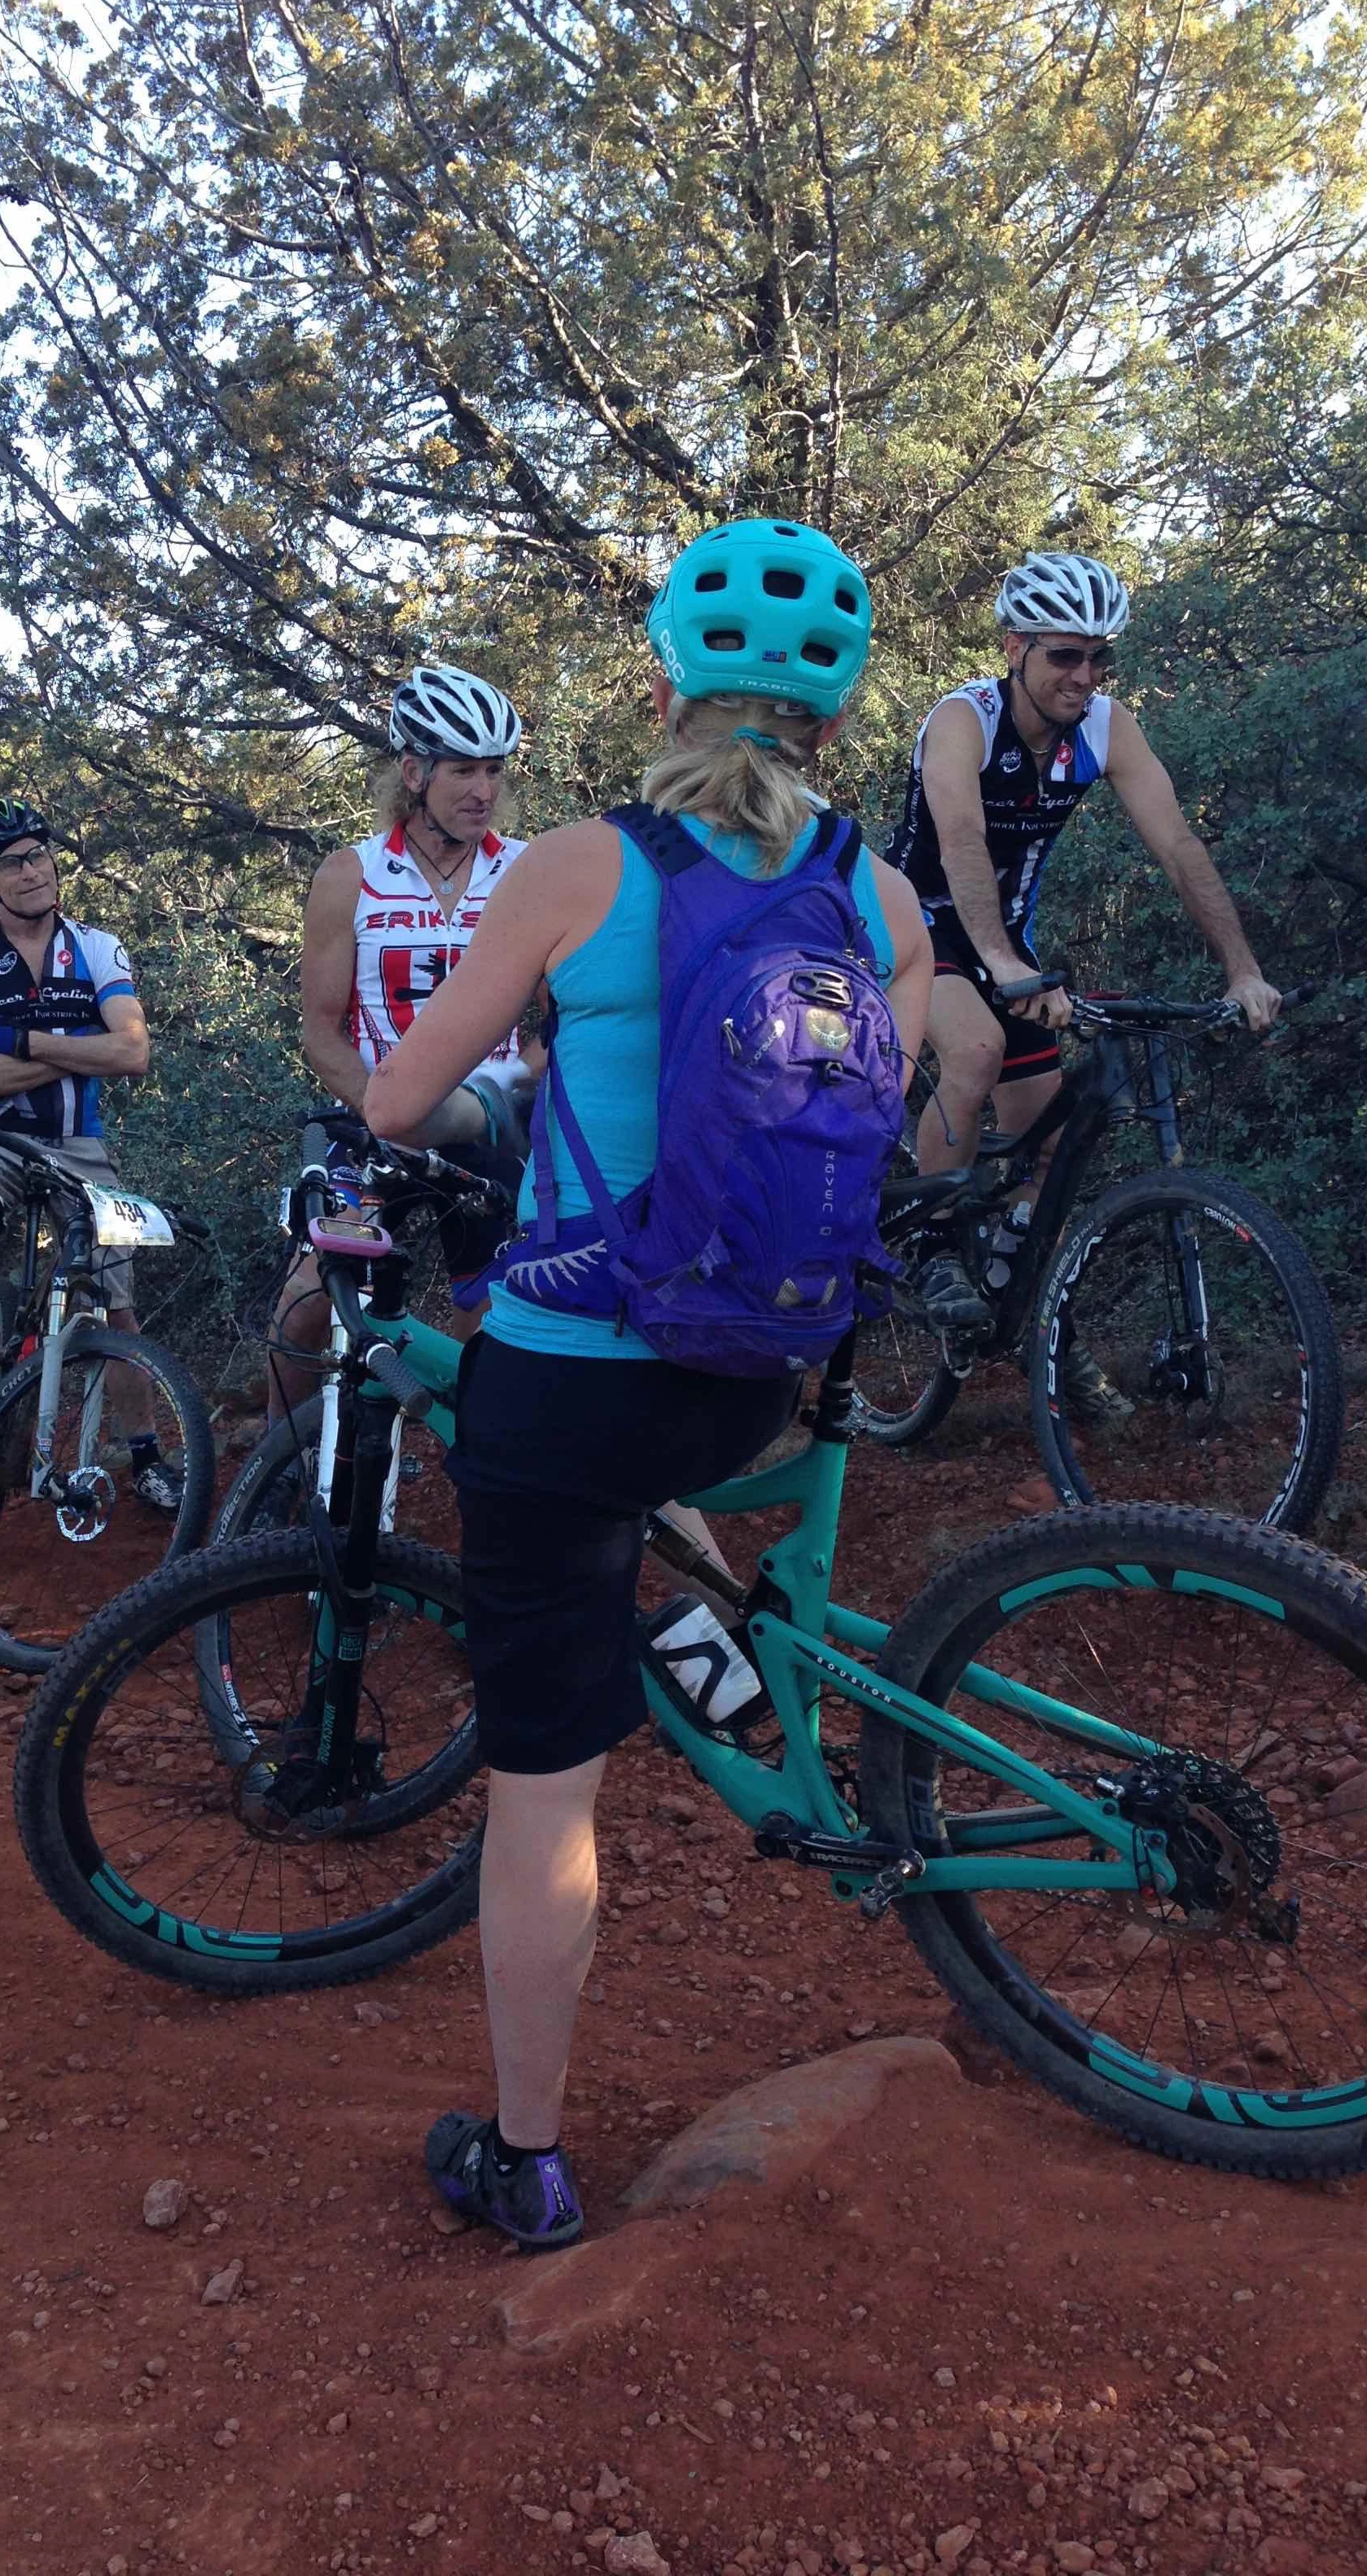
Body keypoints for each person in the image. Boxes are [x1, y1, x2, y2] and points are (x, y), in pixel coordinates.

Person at [361, 520, 931, 2248]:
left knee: (546, 1792)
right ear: (829, 710)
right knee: (645, 1502)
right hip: (755, 1369)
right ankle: (715, 1660)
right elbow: (890, 1111)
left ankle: (526, 2161)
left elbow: (397, 1104)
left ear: (673, 677)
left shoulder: (572, 870)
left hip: (575, 1376)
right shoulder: (873, 889)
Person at [887, 551, 1282, 1339]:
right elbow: (962, 839)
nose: (1085, 675)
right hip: (916, 921)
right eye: (1065, 654)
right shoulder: (963, 720)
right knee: (973, 1051)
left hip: (1009, 941)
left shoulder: (1105, 729)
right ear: (1014, 647)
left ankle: (1014, 1296)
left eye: (1101, 657)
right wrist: (1002, 963)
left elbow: (1177, 846)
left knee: (1059, 1131)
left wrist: (1243, 970)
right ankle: (926, 1247)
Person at [269, 663, 532, 1416]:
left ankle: (475, 1472)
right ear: (415, 771)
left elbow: (558, 1017)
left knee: (492, 1322)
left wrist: (523, 1087)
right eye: (463, 770)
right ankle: (284, 1465)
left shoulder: (525, 872)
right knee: (305, 1298)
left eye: (494, 770)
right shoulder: (352, 874)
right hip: (377, 1125)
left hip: (489, 1128)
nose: (483, 789)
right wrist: (386, 1108)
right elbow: (319, 1029)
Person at [0, 799, 182, 1510]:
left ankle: (148, 1456)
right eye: (13, 861)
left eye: (40, 853)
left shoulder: (98, 946)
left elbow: (132, 1052)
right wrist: (78, 1051)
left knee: (116, 1303)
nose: (34, 870)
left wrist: (26, 1041)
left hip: (80, 1145)